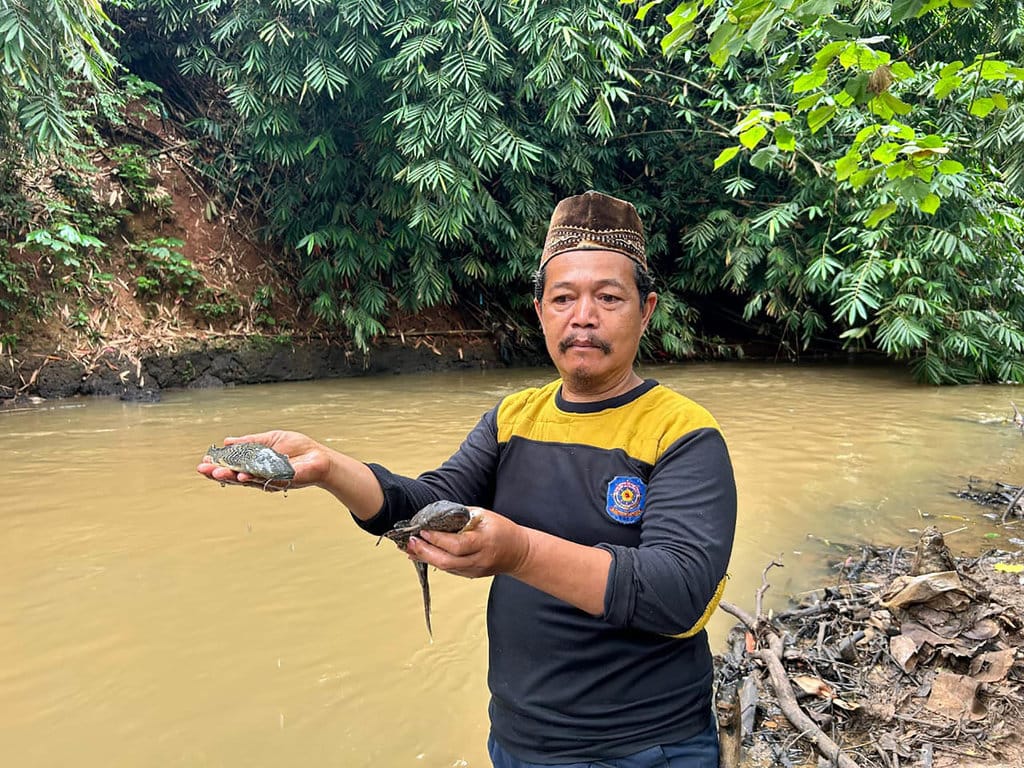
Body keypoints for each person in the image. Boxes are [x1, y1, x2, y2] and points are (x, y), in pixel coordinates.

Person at [197, 190, 737, 768]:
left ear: (646, 309)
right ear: (539, 311)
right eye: (563, 298)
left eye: (608, 297)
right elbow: (427, 501)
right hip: (519, 740)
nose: (583, 316)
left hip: (645, 747)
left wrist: (520, 552)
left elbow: (680, 593)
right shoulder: (513, 419)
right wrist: (329, 468)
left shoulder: (683, 432)